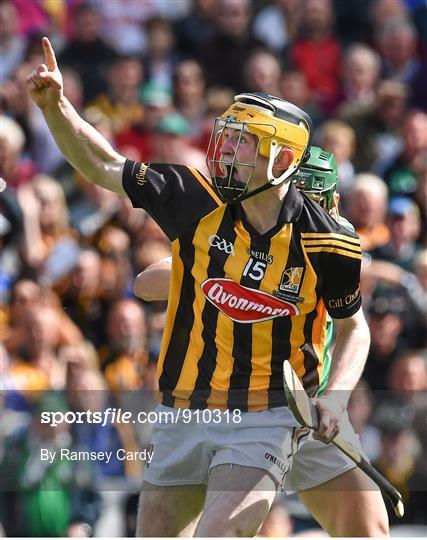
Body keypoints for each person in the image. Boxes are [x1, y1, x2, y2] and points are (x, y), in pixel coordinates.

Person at [26, 38, 388, 536]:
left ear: (283, 160)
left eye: (244, 141)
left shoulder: (327, 238)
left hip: (276, 410)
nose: (226, 150)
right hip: (184, 410)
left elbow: (354, 328)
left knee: (353, 529)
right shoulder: (196, 199)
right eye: (229, 136)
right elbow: (105, 166)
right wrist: (56, 107)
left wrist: (339, 398)